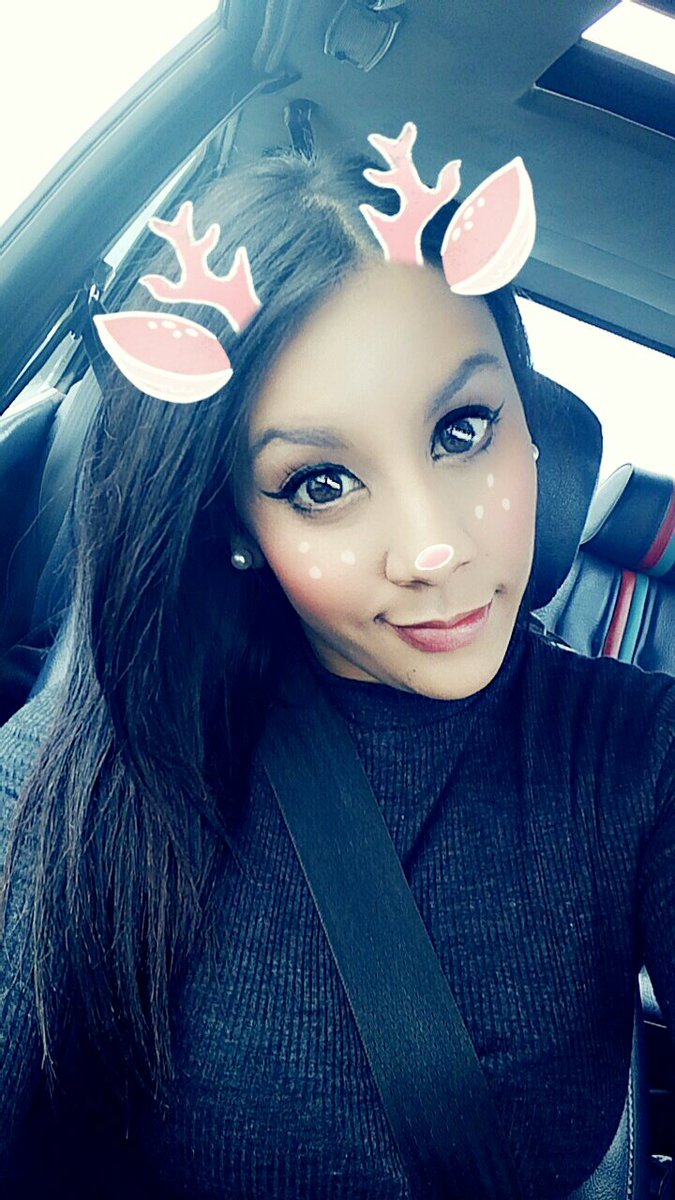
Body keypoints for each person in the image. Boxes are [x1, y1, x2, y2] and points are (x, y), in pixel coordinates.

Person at [0, 137, 674, 1200]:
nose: (433, 549)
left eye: (463, 429)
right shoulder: (83, 779)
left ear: (532, 428)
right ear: (236, 522)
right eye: (321, 484)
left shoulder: (637, 756)